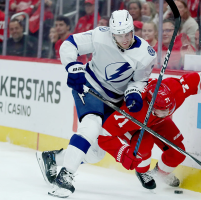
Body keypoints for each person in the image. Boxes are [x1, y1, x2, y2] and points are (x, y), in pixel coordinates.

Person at [36, 10, 156, 198]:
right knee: (91, 124)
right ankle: (65, 176)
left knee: (97, 152)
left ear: (133, 30)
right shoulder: (101, 35)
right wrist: (72, 67)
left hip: (114, 99)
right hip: (88, 86)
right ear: (111, 32)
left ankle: (53, 157)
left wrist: (134, 93)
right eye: (119, 35)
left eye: (127, 34)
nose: (124, 39)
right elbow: (70, 44)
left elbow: (139, 81)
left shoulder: (146, 54)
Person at [98, 71, 201, 190]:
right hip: (135, 126)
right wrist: (122, 154)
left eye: (169, 110)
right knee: (144, 146)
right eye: (161, 111)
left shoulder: (175, 90)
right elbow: (104, 135)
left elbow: (198, 79)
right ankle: (142, 172)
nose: (166, 113)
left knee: (178, 152)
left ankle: (159, 174)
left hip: (156, 122)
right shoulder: (130, 110)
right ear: (149, 105)